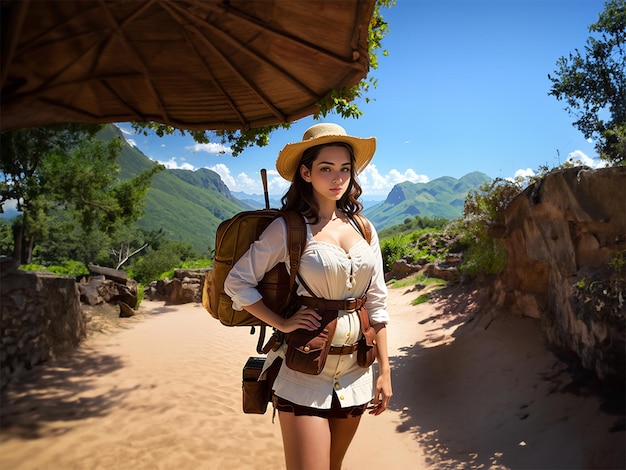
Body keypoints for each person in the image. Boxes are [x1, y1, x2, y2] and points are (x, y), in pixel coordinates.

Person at [224, 123, 392, 470]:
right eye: (326, 168)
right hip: (303, 374)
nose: (337, 178)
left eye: (345, 169)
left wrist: (385, 371)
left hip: (356, 373)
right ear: (306, 172)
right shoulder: (289, 227)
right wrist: (281, 322)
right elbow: (236, 282)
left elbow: (377, 301)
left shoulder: (363, 227)